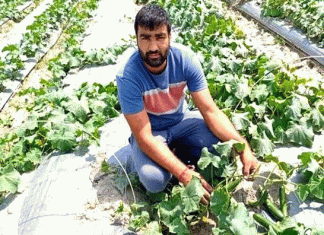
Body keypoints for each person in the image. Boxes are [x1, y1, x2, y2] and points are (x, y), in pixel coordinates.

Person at [116, 4, 259, 204]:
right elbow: (144, 135)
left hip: (182, 121)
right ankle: (163, 158)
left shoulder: (185, 60)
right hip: (151, 132)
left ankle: (173, 155)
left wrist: (244, 148)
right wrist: (183, 173)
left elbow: (211, 112)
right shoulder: (128, 75)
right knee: (154, 180)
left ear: (170, 36)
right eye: (145, 38)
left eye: (160, 37)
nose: (153, 47)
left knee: (221, 149)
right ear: (137, 39)